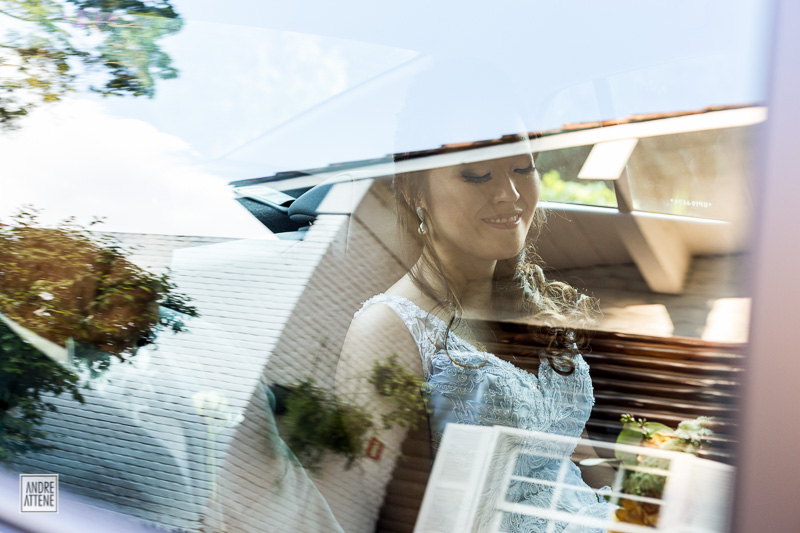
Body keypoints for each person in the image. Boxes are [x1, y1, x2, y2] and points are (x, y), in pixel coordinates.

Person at [335, 142, 616, 532]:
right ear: (416, 192)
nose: (510, 193)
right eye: (478, 175)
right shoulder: (387, 330)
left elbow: (576, 455)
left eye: (522, 169)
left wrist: (645, 505)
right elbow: (402, 522)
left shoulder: (530, 306)